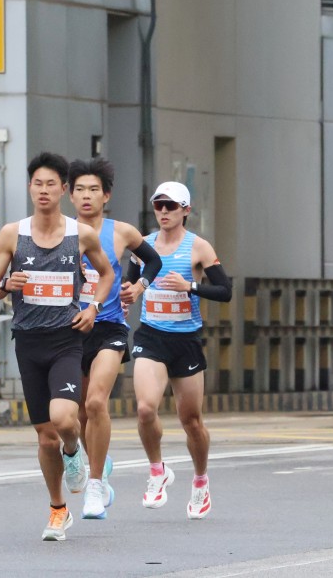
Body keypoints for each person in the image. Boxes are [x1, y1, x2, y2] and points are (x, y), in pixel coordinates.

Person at [0, 152, 114, 541]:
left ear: (63, 190)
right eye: (37, 183)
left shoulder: (80, 234)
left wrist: (93, 306)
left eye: (51, 184)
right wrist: (7, 285)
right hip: (28, 342)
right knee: (44, 436)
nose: (43, 190)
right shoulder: (12, 234)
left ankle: (74, 450)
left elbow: (106, 274)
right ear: (30, 188)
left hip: (66, 340)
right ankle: (58, 510)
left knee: (63, 419)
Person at [121, 181, 232, 520]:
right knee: (144, 409)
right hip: (151, 336)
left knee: (191, 420)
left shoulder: (198, 247)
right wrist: (125, 297)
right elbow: (129, 284)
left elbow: (225, 290)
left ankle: (200, 480)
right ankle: (157, 470)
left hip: (186, 340)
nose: (164, 212)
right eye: (159, 206)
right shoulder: (144, 246)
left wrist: (191, 287)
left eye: (171, 206)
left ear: (186, 210)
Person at [68, 157, 163, 520]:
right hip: (70, 327)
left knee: (95, 403)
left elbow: (152, 261)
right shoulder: (58, 232)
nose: (87, 196)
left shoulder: (120, 232)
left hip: (109, 327)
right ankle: (98, 462)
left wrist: (139, 286)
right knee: (76, 412)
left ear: (106, 195)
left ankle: (95, 487)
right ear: (70, 195)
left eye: (94, 190)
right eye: (80, 190)